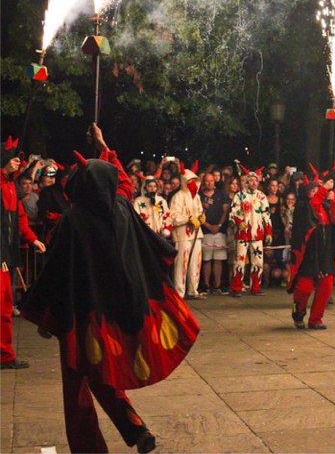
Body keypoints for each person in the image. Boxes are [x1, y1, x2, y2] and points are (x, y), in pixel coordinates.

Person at [21, 124, 199, 453]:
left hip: (80, 317)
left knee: (77, 388)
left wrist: (46, 316)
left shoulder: (73, 221)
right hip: (113, 314)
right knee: (102, 372)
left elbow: (56, 272)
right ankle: (133, 425)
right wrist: (104, 147)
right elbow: (122, 183)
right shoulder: (121, 209)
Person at [1, 137, 46, 370]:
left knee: (5, 306)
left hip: (6, 256)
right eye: (12, 160)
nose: (16, 164)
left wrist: (33, 239)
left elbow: (20, 219)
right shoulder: (2, 184)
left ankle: (5, 355)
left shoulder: (10, 187)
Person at [288, 179, 335, 329]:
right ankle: (298, 313)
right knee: (304, 288)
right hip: (308, 255)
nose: (317, 193)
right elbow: (312, 209)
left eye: (318, 190)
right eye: (314, 190)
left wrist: (333, 202)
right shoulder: (302, 207)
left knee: (326, 286)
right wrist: (324, 189)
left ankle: (316, 319)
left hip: (324, 254)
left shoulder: (324, 206)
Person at [230, 171, 272, 296]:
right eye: (251, 180)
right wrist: (239, 222)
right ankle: (237, 288)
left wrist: (268, 232)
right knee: (239, 261)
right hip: (242, 233)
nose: (253, 183)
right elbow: (233, 212)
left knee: (258, 262)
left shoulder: (262, 196)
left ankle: (255, 288)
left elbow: (266, 215)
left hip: (257, 234)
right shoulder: (239, 196)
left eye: (256, 181)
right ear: (247, 181)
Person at [169, 162, 206, 300]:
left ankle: (193, 290)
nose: (193, 183)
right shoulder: (178, 196)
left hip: (197, 233)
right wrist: (188, 218)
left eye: (195, 181)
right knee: (181, 263)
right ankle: (179, 292)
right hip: (182, 234)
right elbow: (173, 217)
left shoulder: (197, 197)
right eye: (190, 181)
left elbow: (200, 211)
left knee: (196, 262)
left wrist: (201, 218)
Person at [200, 172, 230, 294]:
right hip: (205, 231)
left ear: (215, 181)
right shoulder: (199, 196)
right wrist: (208, 226)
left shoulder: (221, 194)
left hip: (220, 231)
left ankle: (217, 286)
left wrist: (218, 226)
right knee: (206, 259)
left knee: (218, 259)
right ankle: (206, 285)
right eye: (207, 181)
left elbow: (225, 211)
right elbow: (198, 213)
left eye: (211, 180)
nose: (209, 183)